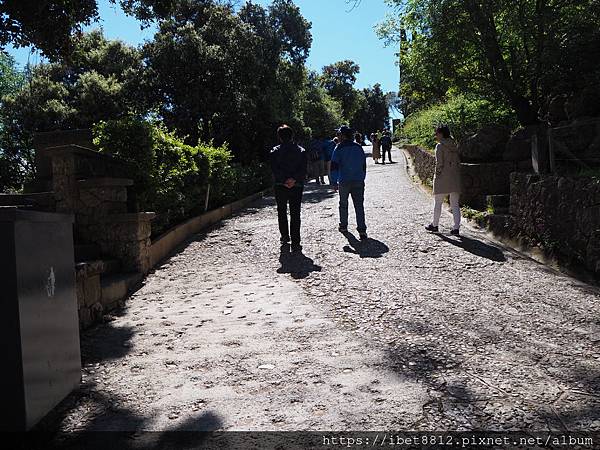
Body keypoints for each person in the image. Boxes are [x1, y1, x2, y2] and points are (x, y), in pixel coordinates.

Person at [270, 125, 308, 252]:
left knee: (282, 211)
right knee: (295, 213)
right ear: (292, 136)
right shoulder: (301, 151)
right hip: (296, 185)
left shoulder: (274, 151)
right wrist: (294, 179)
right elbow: (303, 169)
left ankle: (285, 236)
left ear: (279, 137)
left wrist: (284, 180)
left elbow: (274, 169)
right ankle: (296, 240)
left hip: (280, 185)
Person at [331, 126, 368, 240]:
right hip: (358, 180)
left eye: (338, 134)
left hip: (344, 181)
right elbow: (363, 165)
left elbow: (334, 166)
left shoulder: (338, 148)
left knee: (343, 204)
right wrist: (362, 177)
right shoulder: (358, 147)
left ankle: (343, 226)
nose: (337, 136)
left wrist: (333, 181)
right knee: (359, 205)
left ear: (343, 135)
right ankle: (362, 230)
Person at [425, 125, 462, 235]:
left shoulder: (440, 146)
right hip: (455, 177)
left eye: (436, 133)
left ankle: (435, 225)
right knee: (455, 204)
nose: (435, 135)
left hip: (443, 178)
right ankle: (456, 228)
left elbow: (439, 163)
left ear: (441, 134)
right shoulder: (454, 145)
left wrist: (437, 176)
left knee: (438, 203)